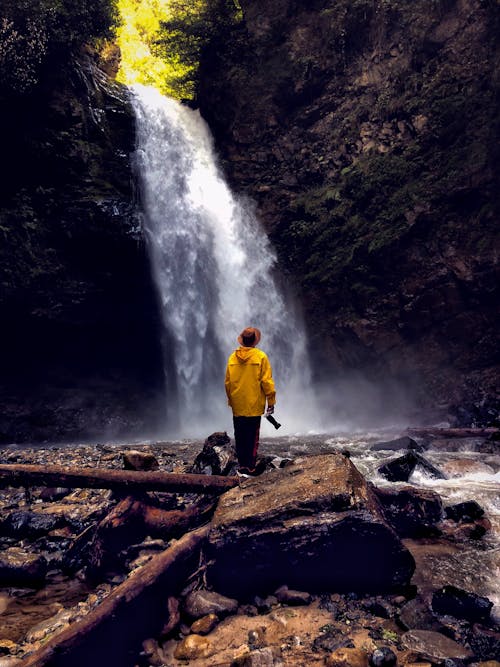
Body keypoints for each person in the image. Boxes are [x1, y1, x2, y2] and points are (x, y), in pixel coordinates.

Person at [225, 326, 276, 476]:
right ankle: (250, 467)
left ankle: (242, 466)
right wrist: (271, 401)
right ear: (255, 341)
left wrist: (231, 400)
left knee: (240, 435)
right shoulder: (260, 357)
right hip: (254, 404)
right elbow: (267, 382)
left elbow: (227, 383)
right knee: (252, 437)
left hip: (238, 404)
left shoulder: (232, 357)